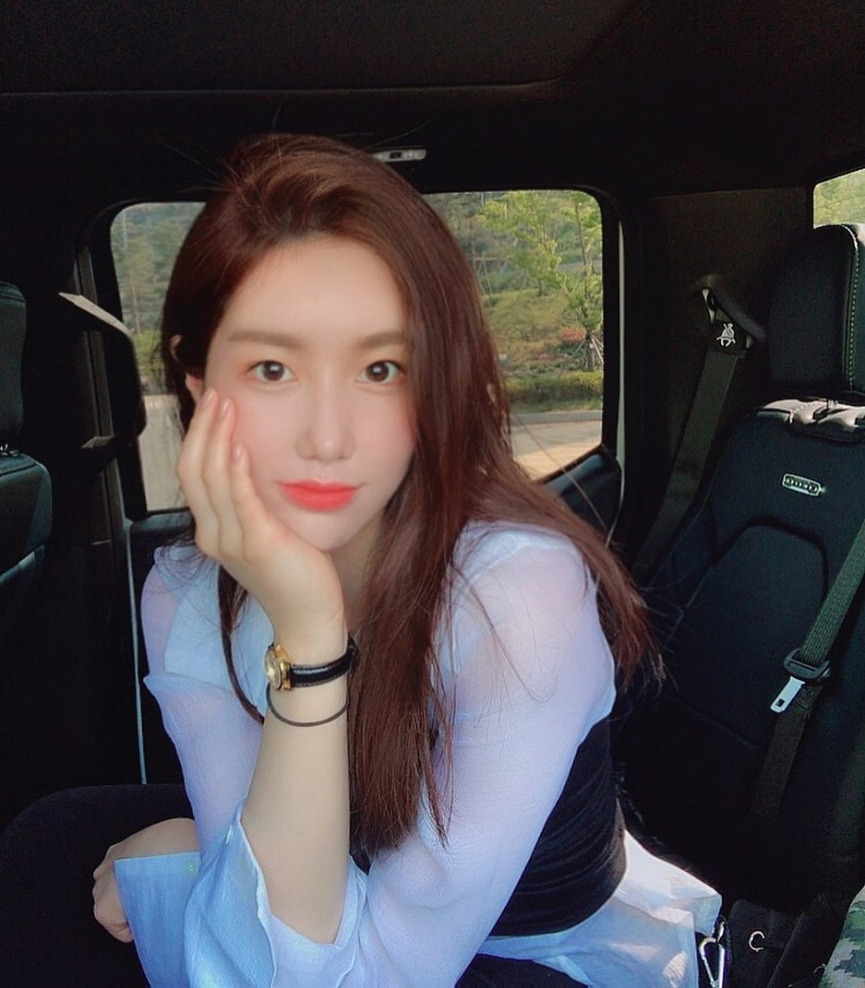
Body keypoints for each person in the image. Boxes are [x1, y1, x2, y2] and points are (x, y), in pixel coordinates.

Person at [0, 135, 719, 987]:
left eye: (380, 369)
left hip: (526, 960)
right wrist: (213, 843)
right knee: (53, 845)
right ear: (197, 381)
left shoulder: (514, 596)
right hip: (342, 916)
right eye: (273, 368)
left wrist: (308, 643)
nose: (328, 438)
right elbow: (267, 925)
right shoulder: (188, 595)